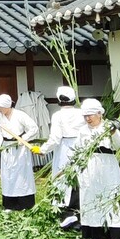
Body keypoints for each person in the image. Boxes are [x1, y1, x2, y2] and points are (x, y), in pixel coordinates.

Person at [76, 98, 120, 239]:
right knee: (91, 196)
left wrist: (113, 132)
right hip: (89, 166)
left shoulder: (108, 127)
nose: (88, 119)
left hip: (107, 166)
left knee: (111, 194)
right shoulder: (83, 130)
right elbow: (77, 148)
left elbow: (119, 145)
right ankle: (95, 233)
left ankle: (116, 232)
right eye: (85, 116)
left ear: (99, 114)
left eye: (90, 115)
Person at [36, 86, 86, 229]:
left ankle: (67, 212)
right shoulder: (81, 113)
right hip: (81, 148)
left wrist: (42, 149)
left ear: (59, 100)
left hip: (65, 149)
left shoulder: (58, 115)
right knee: (79, 178)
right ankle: (79, 211)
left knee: (63, 179)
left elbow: (55, 138)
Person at [0, 93, 39, 211]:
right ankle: (10, 204)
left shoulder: (20, 115)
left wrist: (24, 138)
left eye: (0, 106)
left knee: (22, 174)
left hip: (20, 148)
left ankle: (25, 203)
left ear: (7, 106)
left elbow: (33, 128)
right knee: (8, 175)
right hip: (7, 148)